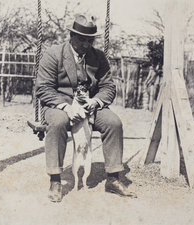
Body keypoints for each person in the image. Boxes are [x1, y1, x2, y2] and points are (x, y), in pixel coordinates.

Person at [35, 14, 137, 202]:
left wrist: (96, 101)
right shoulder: (53, 54)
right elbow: (43, 88)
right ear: (72, 36)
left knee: (113, 122)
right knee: (58, 123)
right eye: (81, 39)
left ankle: (113, 179)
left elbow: (108, 86)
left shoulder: (98, 57)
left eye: (90, 40)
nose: (86, 44)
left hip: (89, 105)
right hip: (60, 104)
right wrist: (66, 106)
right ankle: (55, 180)